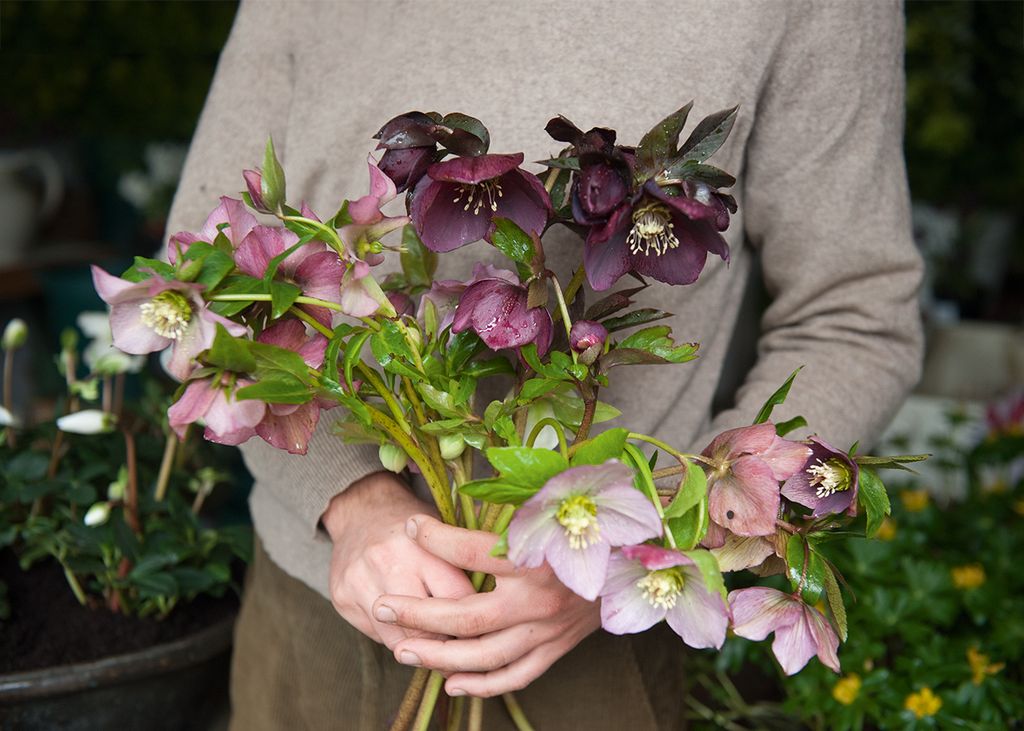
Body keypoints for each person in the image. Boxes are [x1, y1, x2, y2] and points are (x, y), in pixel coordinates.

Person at [166, 1, 923, 728]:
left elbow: (856, 315)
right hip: (311, 624)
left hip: (593, 646)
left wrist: (643, 539)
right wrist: (348, 495)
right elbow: (198, 280)